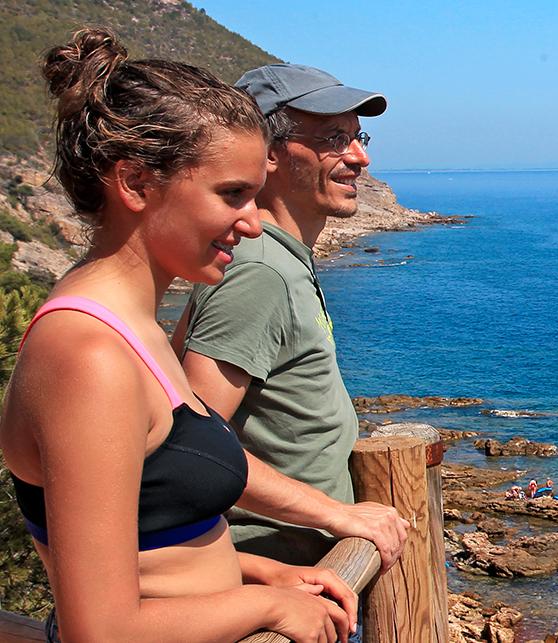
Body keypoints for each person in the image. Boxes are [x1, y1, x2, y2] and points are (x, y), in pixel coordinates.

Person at [0, 29, 356, 642]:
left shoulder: (130, 327)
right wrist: (266, 609)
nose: (250, 223)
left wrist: (257, 571)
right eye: (232, 195)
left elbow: (148, 541)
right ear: (136, 183)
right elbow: (101, 630)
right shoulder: (87, 357)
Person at [171, 63, 408, 570]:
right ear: (267, 154)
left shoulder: (273, 260)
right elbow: (190, 439)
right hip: (272, 577)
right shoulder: (261, 272)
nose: (360, 157)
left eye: (357, 136)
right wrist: (336, 515)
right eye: (333, 138)